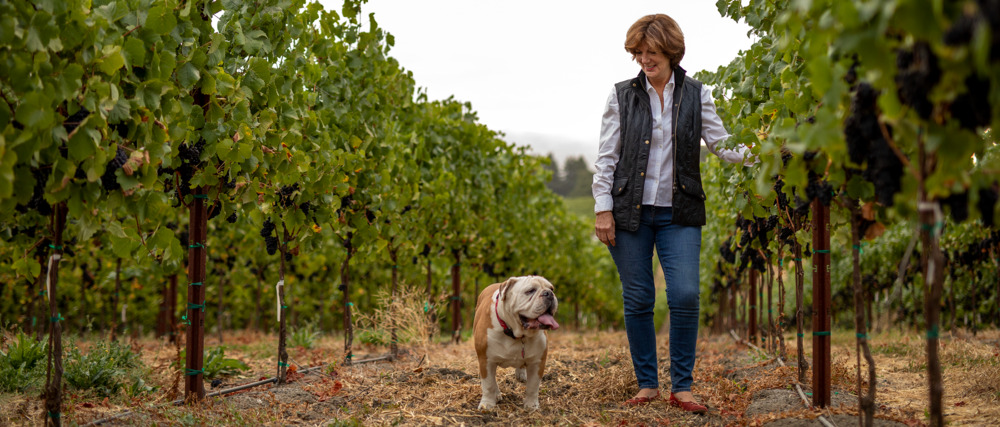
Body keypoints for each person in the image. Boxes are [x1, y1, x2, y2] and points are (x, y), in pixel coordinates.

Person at [592, 14, 755, 413]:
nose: (645, 60)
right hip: (629, 211)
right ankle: (647, 384)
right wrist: (603, 208)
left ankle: (682, 386)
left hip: (679, 210)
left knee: (684, 295)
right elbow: (607, 156)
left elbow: (721, 144)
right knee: (639, 298)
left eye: (652, 53)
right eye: (639, 54)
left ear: (671, 52)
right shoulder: (621, 95)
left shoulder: (697, 94)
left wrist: (763, 155)